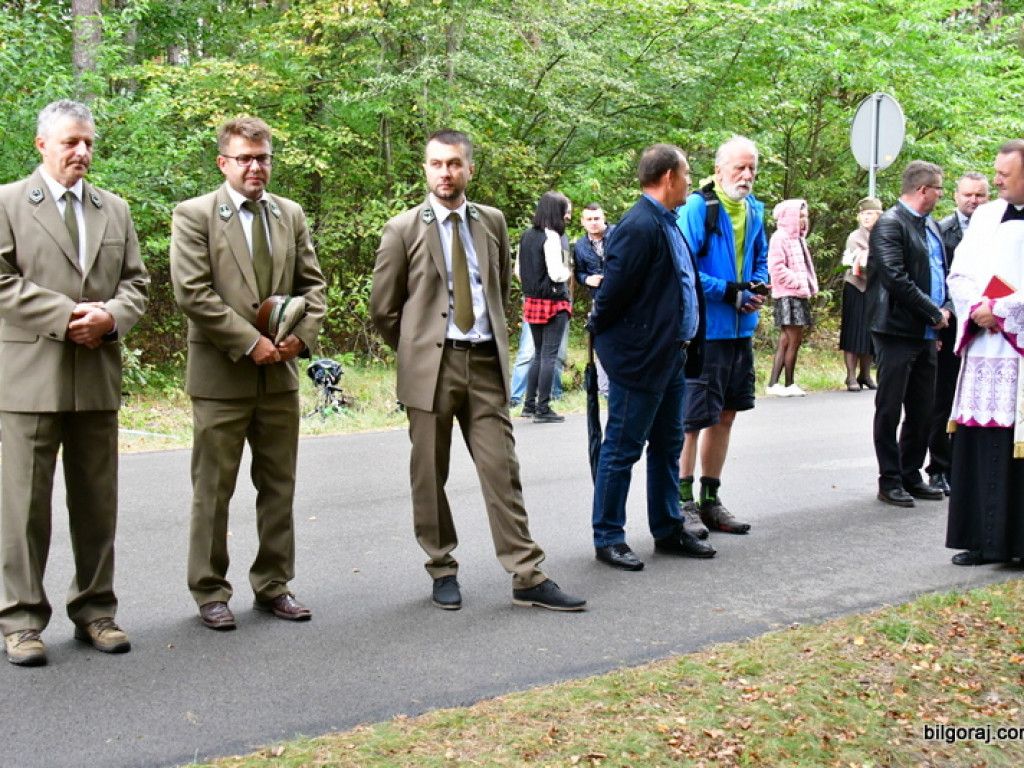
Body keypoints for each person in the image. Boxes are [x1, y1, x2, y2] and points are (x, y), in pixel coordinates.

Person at [370, 129, 585, 612]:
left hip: (486, 362)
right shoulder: (402, 229)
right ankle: (442, 567)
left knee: (501, 469)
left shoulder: (492, 221)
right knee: (429, 473)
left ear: (469, 169)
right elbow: (384, 309)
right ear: (425, 169)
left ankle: (527, 574)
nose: (445, 173)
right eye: (436, 164)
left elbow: (498, 292)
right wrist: (417, 349)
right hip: (431, 367)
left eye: (454, 164)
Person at [0, 100, 149, 666]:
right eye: (70, 143)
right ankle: (21, 621)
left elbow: (137, 283)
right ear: (42, 145)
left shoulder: (114, 209)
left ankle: (95, 609)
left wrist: (112, 316)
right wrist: (67, 315)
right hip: (29, 378)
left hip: (96, 377)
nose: (82, 152)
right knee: (24, 508)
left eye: (87, 142)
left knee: (96, 503)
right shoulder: (9, 202)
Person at [170, 117, 327, 630]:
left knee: (279, 485)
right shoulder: (194, 215)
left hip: (279, 375)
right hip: (222, 377)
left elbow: (313, 287)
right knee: (213, 490)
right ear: (224, 162)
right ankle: (210, 591)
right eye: (245, 158)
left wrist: (300, 339)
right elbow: (192, 293)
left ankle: (274, 585)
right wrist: (249, 342)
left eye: (263, 158)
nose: (256, 167)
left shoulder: (290, 214)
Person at [589, 144, 712, 570]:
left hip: (672, 358)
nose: (691, 180)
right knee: (623, 449)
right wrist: (607, 340)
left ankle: (668, 528)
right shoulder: (638, 226)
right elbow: (611, 296)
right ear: (668, 177)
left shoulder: (667, 222)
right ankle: (608, 536)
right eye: (687, 173)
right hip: (641, 360)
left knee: (667, 446)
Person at [676, 136, 768, 538]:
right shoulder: (699, 208)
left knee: (726, 415)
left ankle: (711, 499)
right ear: (718, 171)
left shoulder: (755, 211)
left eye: (751, 169)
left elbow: (763, 257)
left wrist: (758, 287)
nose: (746, 176)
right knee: (693, 419)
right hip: (706, 331)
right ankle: (683, 503)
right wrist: (730, 292)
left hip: (739, 331)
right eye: (738, 168)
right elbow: (685, 267)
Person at [945, 140, 1024, 565]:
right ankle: (980, 539)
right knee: (980, 441)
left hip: (1018, 349)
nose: (995, 180)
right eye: (995, 172)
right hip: (983, 348)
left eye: (1004, 175)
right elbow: (959, 270)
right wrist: (976, 306)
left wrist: (1004, 309)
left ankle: (1017, 543)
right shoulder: (987, 216)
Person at [866, 160, 951, 508]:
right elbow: (895, 278)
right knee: (890, 407)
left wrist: (945, 310)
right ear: (922, 190)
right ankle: (889, 478)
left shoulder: (930, 225)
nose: (941, 195)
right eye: (939, 189)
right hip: (897, 329)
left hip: (927, 332)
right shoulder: (889, 224)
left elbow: (940, 272)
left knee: (923, 408)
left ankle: (910, 472)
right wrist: (933, 312)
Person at [926, 171, 990, 495]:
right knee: (943, 399)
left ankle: (969, 467)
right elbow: (938, 279)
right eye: (968, 195)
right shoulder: (939, 230)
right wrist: (939, 320)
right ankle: (938, 468)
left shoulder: (997, 232)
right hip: (950, 326)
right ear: (955, 195)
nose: (973, 201)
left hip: (990, 328)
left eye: (979, 195)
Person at [519, 192, 573, 423]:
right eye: (566, 210)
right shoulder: (551, 237)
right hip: (552, 301)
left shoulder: (527, 236)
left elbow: (519, 272)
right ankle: (543, 407)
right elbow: (556, 273)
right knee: (549, 356)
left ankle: (529, 404)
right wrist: (570, 270)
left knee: (538, 355)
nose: (568, 215)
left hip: (532, 300)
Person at [765, 199, 818, 397]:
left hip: (797, 294)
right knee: (793, 340)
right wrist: (796, 281)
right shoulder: (780, 237)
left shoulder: (798, 239)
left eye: (806, 217)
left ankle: (775, 383)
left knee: (787, 341)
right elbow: (776, 267)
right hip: (788, 294)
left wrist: (807, 286)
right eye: (800, 216)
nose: (803, 220)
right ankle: (788, 383)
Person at [839, 197, 883, 391]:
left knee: (870, 332)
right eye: (863, 214)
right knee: (853, 332)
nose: (866, 217)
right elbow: (858, 263)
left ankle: (865, 374)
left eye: (870, 213)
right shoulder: (854, 237)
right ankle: (850, 377)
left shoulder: (883, 234)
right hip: (856, 288)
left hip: (875, 289)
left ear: (878, 215)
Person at [574, 202, 616, 396]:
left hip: (622, 296)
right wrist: (587, 279)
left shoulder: (618, 235)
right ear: (583, 222)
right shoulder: (580, 245)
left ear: (603, 218)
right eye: (589, 219)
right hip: (598, 299)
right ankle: (604, 387)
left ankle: (621, 384)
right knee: (601, 343)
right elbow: (579, 273)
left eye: (596, 218)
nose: (593, 223)